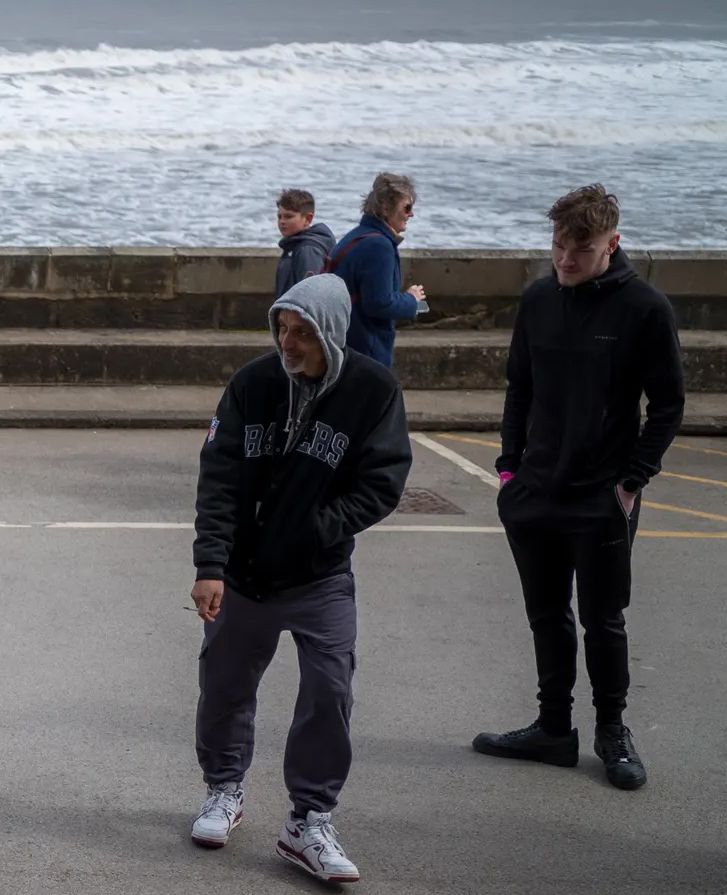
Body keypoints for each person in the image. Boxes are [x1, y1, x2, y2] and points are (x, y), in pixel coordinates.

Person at [189, 273, 411, 884]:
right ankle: (223, 790)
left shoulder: (373, 390)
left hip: (321, 577)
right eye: (282, 329)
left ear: (331, 333)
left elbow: (384, 482)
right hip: (245, 577)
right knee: (226, 685)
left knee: (328, 692)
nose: (288, 343)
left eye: (302, 333)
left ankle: (309, 821)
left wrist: (319, 527)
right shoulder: (252, 385)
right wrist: (210, 565)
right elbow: (220, 479)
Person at [472, 184, 685, 791]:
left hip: (602, 496)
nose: (564, 259)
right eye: (558, 245)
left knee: (604, 618)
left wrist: (633, 481)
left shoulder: (645, 309)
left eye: (580, 248)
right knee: (546, 615)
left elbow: (668, 406)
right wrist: (509, 469)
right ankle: (553, 729)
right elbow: (520, 388)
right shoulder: (538, 300)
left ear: (612, 245)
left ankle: (612, 732)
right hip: (534, 490)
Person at [326, 173, 427, 366]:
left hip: (346, 344)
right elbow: (379, 304)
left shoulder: (358, 237)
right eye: (407, 208)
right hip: (366, 350)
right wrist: (412, 300)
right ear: (386, 207)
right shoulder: (378, 246)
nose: (411, 214)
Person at [273, 188, 332, 300]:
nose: (282, 221)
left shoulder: (308, 250)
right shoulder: (293, 247)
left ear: (308, 219)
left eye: (288, 216)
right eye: (279, 216)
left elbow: (312, 296)